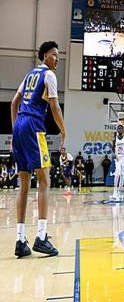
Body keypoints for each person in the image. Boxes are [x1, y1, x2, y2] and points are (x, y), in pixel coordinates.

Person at [10, 41, 66, 258]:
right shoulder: (48, 75)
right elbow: (54, 106)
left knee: (24, 184)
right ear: (45, 56)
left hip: (19, 125)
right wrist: (64, 131)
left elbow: (14, 103)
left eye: (58, 55)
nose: (57, 59)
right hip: (33, 125)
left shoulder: (29, 75)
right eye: (54, 55)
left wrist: (15, 130)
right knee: (44, 180)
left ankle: (20, 240)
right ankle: (41, 237)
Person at [111, 121, 124, 201]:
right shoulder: (115, 137)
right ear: (117, 130)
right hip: (118, 158)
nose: (120, 129)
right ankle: (114, 191)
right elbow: (112, 148)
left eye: (121, 128)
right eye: (119, 128)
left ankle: (119, 192)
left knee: (122, 175)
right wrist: (115, 155)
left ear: (123, 130)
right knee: (117, 174)